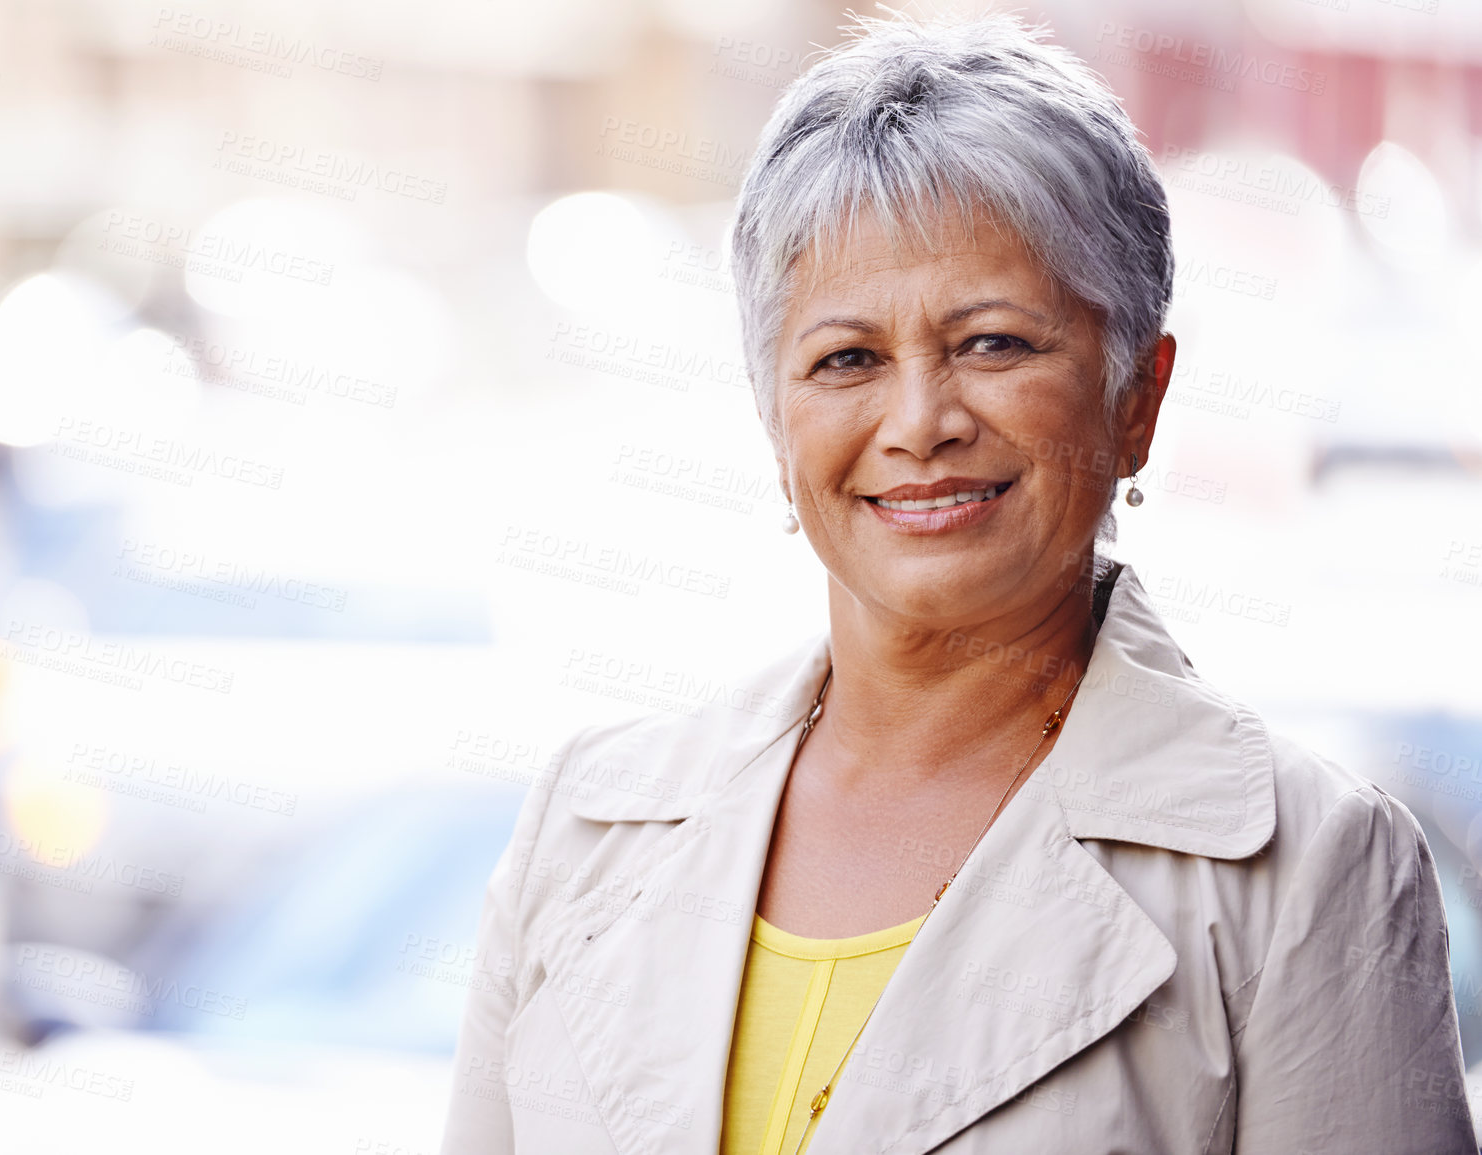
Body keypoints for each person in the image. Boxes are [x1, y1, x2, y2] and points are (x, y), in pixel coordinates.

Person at [441, 12, 1475, 1154]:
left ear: (1139, 397)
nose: (921, 421)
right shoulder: (590, 824)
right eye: (847, 360)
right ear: (771, 417)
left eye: (994, 344)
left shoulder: (1303, 870)